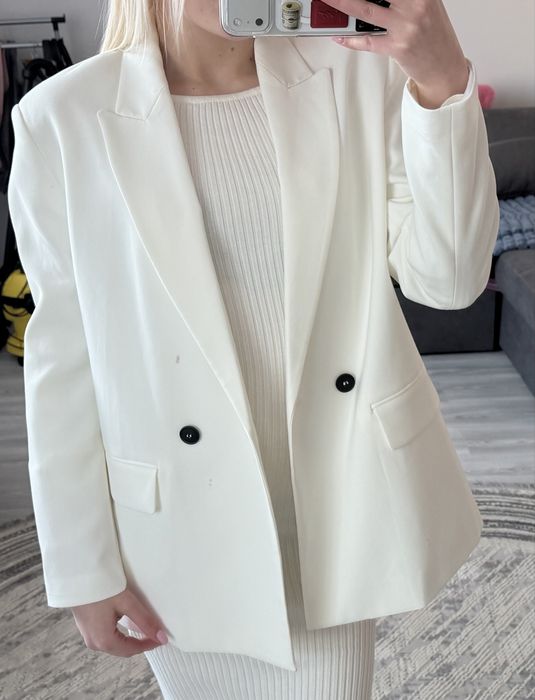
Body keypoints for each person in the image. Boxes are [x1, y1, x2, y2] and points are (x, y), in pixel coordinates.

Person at [7, 0, 498, 698]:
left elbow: (447, 282)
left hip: (331, 502)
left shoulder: (357, 76)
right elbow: (62, 361)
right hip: (180, 519)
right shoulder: (61, 117)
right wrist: (81, 567)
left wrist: (443, 81)